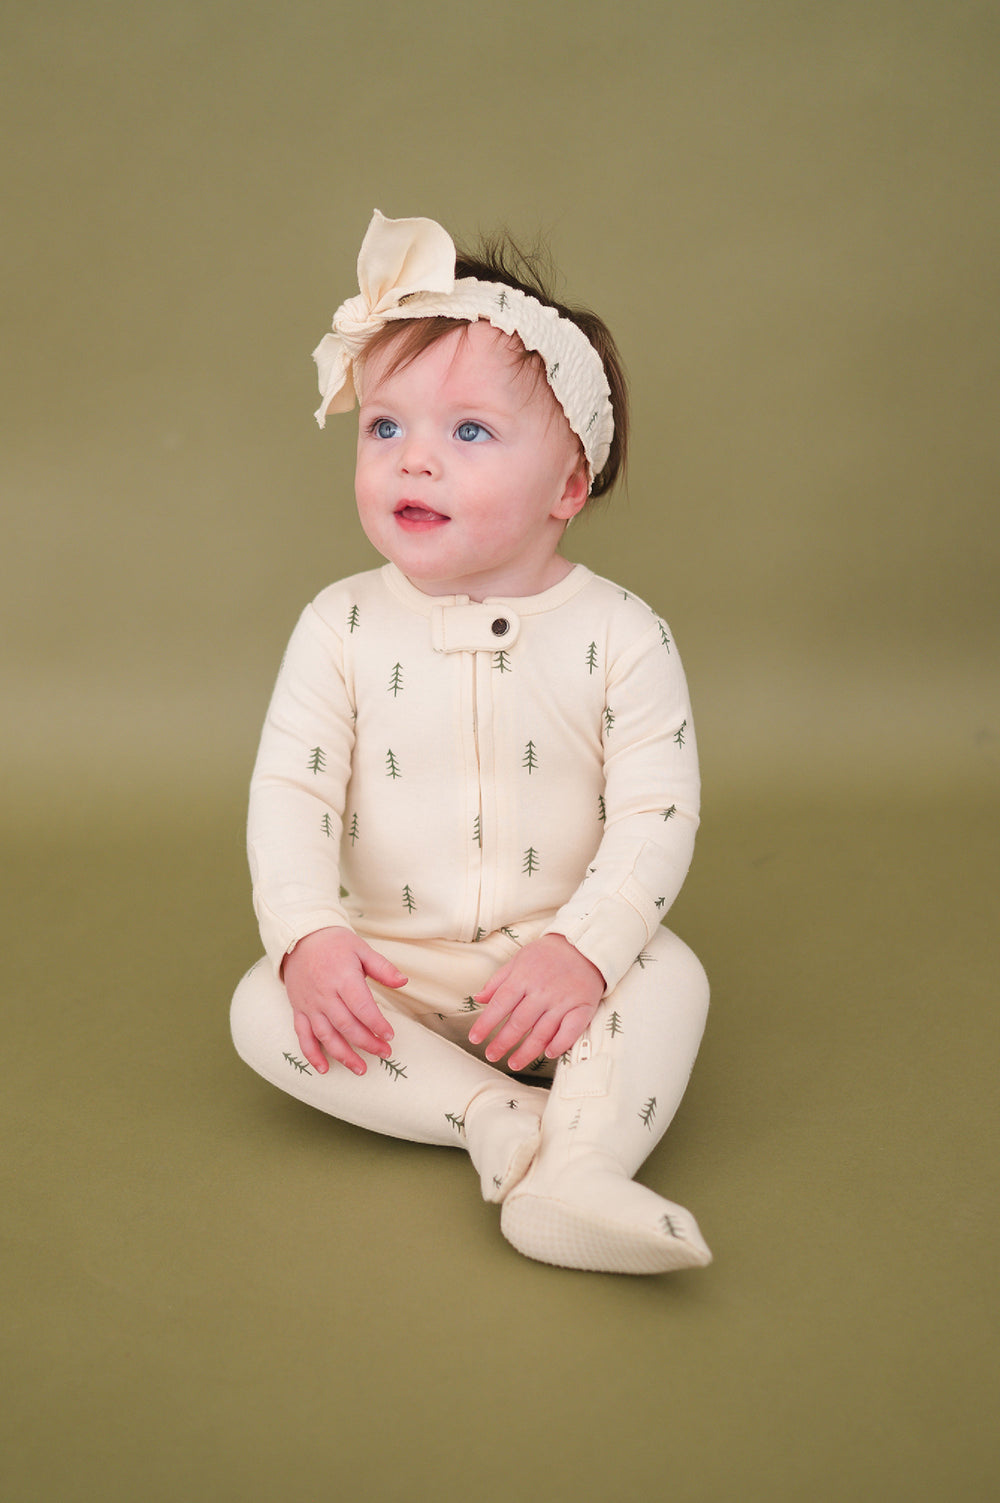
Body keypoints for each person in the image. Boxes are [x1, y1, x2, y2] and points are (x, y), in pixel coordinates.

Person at [230, 210, 712, 1275]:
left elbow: (657, 811)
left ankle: (583, 1168)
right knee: (259, 1006)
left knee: (671, 977)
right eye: (384, 427)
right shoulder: (339, 625)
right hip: (394, 970)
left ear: (569, 486)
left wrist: (584, 948)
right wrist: (309, 935)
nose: (414, 462)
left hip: (556, 963)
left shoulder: (620, 635)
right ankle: (494, 1118)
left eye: (469, 433)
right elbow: (291, 794)